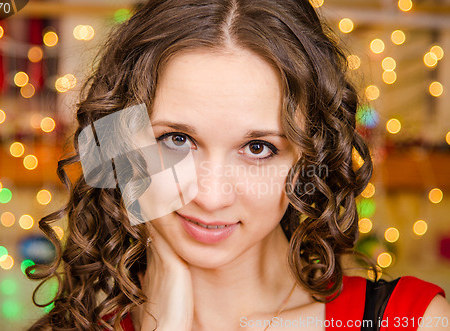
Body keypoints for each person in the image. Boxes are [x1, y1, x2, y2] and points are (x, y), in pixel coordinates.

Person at [27, 0, 450, 330]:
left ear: (309, 156)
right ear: (120, 142)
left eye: (258, 148)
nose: (210, 197)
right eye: (177, 140)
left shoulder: (413, 320)